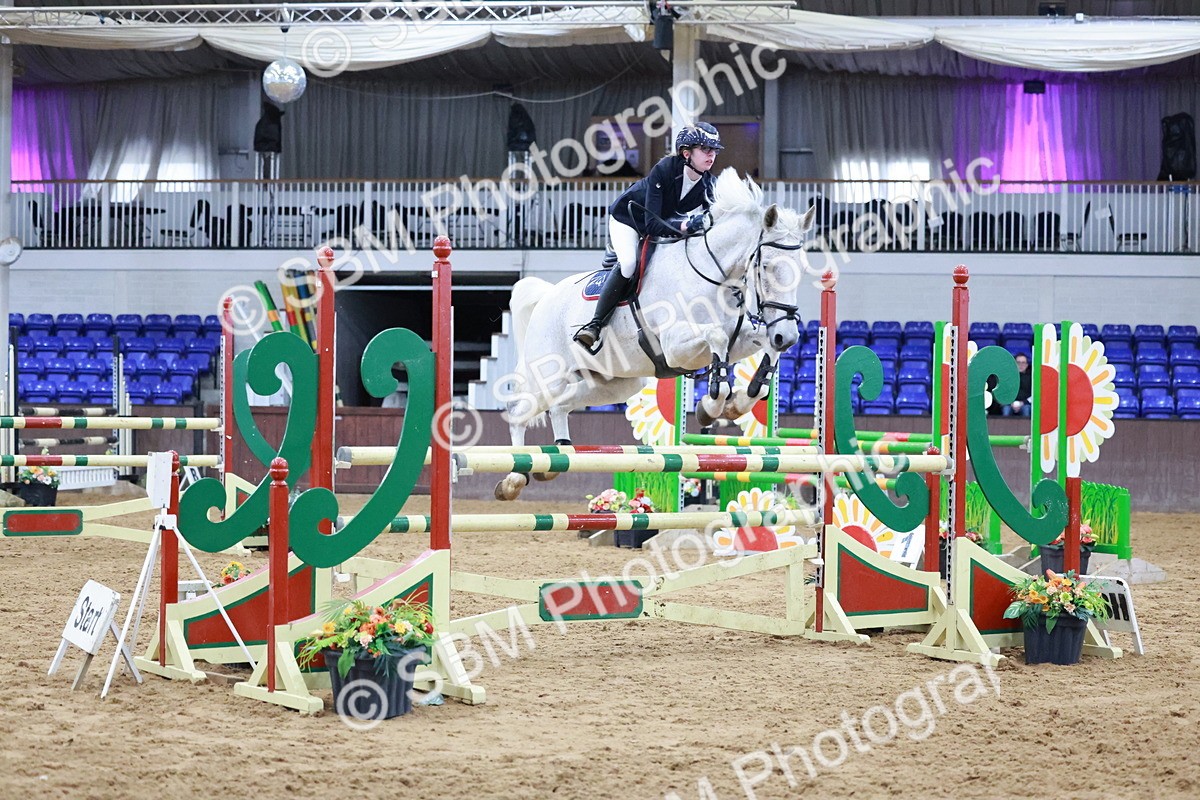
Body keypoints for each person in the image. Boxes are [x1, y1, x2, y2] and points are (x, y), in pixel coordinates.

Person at [572, 122, 724, 352]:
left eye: (714, 150)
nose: (711, 155)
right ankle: (594, 326)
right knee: (629, 264)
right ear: (686, 153)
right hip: (630, 220)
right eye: (705, 149)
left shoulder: (708, 184)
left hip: (661, 224)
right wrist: (685, 225)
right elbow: (651, 224)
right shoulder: (664, 169)